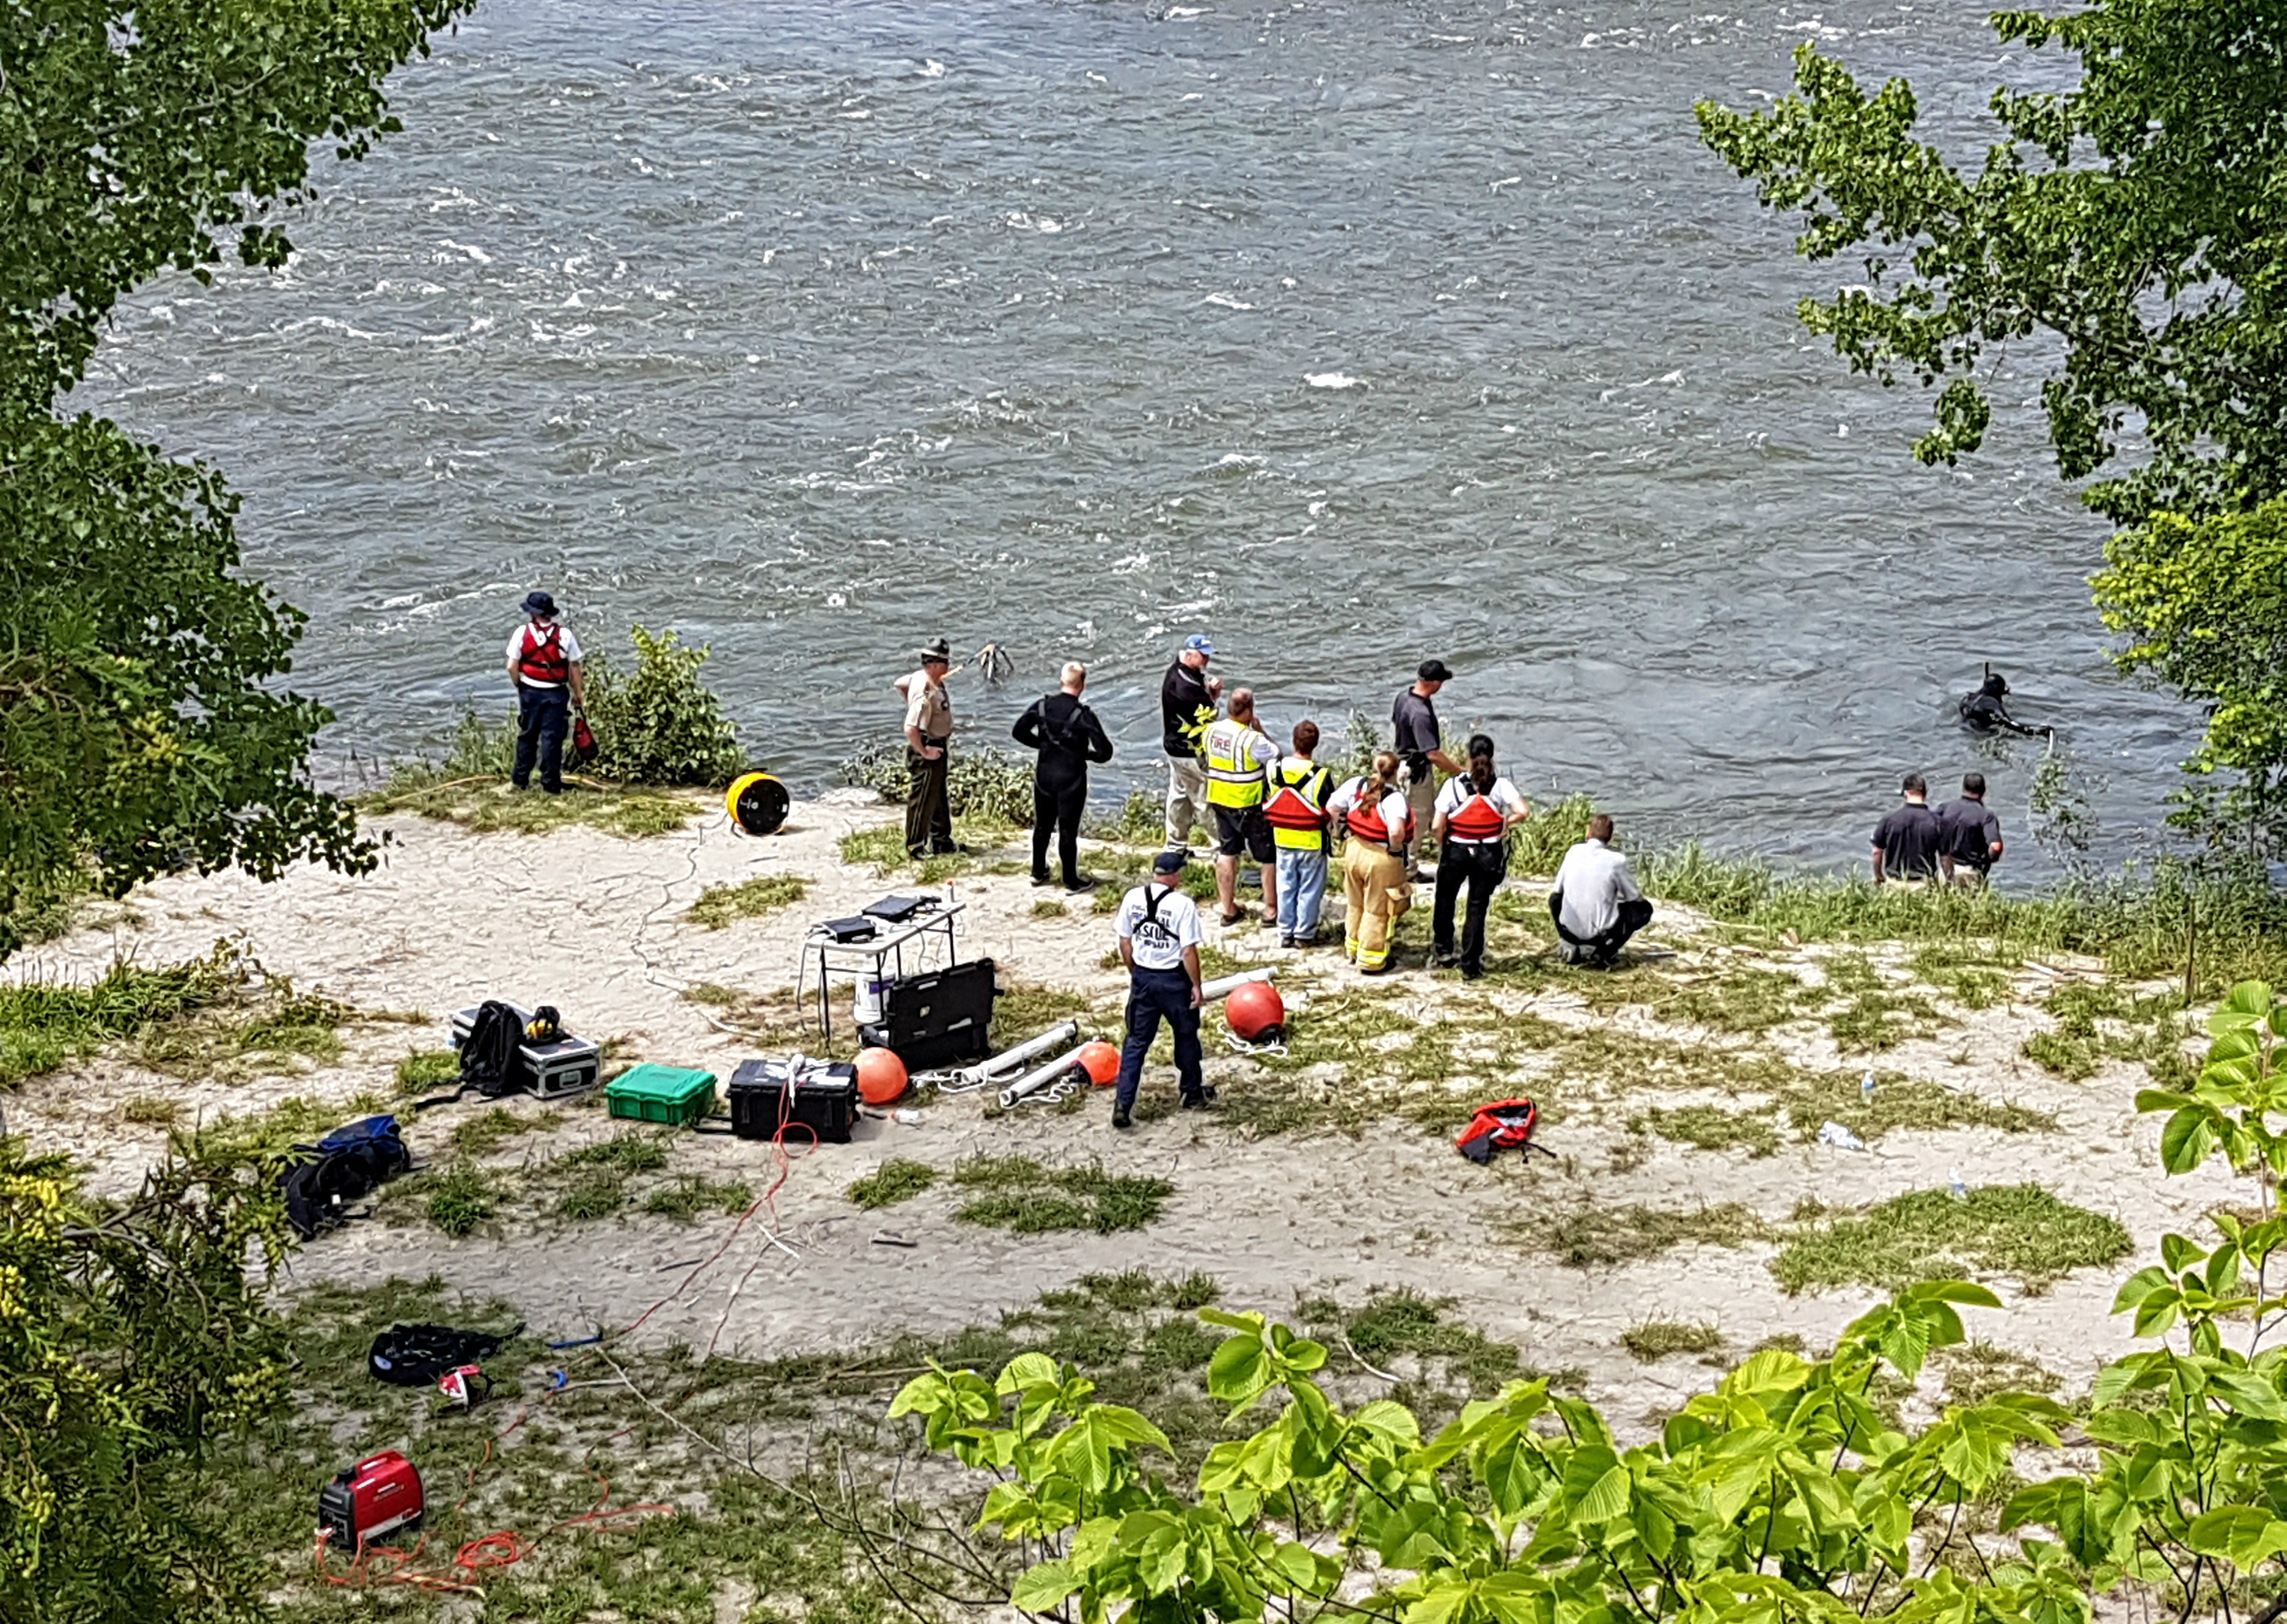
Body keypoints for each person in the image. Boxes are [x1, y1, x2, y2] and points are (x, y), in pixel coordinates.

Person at [1109, 849, 1210, 1129]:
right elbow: (1188, 951)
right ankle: (1192, 1091)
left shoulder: (1133, 897)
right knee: (1186, 1035)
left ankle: (1123, 1103)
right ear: (1176, 875)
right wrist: (1197, 987)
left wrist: (1135, 971)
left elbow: (1125, 942)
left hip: (1144, 977)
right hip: (1174, 980)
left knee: (1136, 1043)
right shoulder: (1183, 905)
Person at [1431, 734, 1531, 980]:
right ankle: (1471, 964)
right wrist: (1504, 822)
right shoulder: (1500, 786)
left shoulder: (1452, 786)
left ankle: (1444, 951)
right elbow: (1524, 811)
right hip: (1488, 853)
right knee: (1477, 907)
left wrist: (1442, 843)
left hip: (1456, 850)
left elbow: (1437, 825)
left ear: (1468, 756)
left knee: (1446, 898)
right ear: (1492, 757)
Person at [1013, 663, 1114, 892]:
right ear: (1083, 684)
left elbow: (1018, 731)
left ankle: (1038, 871)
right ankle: (1070, 880)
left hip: (1045, 775)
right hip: (1072, 779)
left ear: (1062, 681)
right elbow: (1105, 752)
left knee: (1042, 826)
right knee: (1068, 829)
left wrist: (1042, 745)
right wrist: (1084, 755)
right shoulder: (1083, 715)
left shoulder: (1041, 706)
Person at [1202, 687, 1282, 929]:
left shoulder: (1210, 731)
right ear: (1249, 710)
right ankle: (1270, 910)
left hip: (1219, 798)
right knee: (1267, 857)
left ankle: (1228, 908)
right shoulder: (1252, 739)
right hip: (1249, 803)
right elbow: (1276, 755)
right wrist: (1261, 730)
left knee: (1227, 853)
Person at [1329, 751, 1413, 974]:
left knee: (1356, 903)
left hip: (1354, 849)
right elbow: (1396, 832)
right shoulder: (1395, 799)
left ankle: (1352, 948)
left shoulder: (1356, 785)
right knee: (1378, 909)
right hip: (1381, 857)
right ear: (1396, 773)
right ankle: (1371, 960)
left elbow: (1332, 807)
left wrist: (1343, 831)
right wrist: (1395, 851)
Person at [1262, 721, 1336, 948]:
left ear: (1294, 741)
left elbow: (1267, 797)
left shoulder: (1273, 769)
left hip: (1282, 838)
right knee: (1310, 889)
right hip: (1312, 840)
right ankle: (1304, 934)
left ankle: (1285, 931)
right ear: (1315, 745)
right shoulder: (1321, 775)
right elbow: (1330, 807)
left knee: (1285, 886)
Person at [505, 590, 585, 795]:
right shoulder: (565, 635)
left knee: (528, 735)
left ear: (532, 613)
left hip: (530, 691)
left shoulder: (521, 633)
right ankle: (551, 783)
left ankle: (519, 781)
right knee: (553, 738)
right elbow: (575, 667)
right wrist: (578, 694)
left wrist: (519, 685)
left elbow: (511, 666)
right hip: (556, 693)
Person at [1549, 814, 1653, 968]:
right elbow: (1634, 897)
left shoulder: (1573, 852)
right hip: (1599, 936)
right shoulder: (1617, 861)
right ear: (1610, 837)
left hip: (1569, 930)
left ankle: (1570, 943)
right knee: (1643, 909)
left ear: (1588, 832)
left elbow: (1557, 891)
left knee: (1555, 900)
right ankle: (1606, 950)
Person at [1392, 660, 1462, 879]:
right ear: (1433, 683)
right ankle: (1408, 869)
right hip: (1416, 772)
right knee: (1418, 819)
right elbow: (1432, 753)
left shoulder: (1404, 697)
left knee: (1406, 816)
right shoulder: (1420, 713)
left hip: (1401, 765)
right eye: (1441, 681)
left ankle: (1401, 861)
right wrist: (1460, 772)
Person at [1160, 635, 1222, 852]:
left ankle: (1175, 844)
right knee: (1203, 798)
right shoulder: (1186, 687)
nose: (1207, 660)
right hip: (1189, 751)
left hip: (1175, 746)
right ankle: (1222, 845)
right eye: (1203, 655)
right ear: (1189, 654)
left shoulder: (1178, 672)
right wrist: (1214, 696)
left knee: (1179, 796)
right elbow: (1208, 717)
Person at [899, 639, 957, 859]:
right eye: (944, 663)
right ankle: (915, 846)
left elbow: (900, 684)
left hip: (939, 745)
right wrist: (924, 751)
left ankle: (942, 841)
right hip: (928, 746)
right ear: (932, 664)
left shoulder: (924, 679)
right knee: (922, 799)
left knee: (938, 797)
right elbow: (910, 728)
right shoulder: (924, 691)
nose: (948, 667)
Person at [1871, 772, 1945, 883]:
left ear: (1905, 793)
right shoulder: (1936, 821)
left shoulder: (1889, 819)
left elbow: (1877, 852)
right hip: (1923, 883)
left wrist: (1879, 876)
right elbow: (1945, 857)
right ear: (1926, 792)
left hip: (1895, 882)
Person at [1937, 772, 2004, 885]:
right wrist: (1988, 861)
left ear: (1964, 788)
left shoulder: (1945, 808)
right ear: (1984, 791)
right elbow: (1996, 847)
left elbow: (1930, 829)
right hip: (1970, 872)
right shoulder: (1986, 816)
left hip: (1946, 869)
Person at [1959, 668, 2051, 737]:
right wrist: (2035, 731)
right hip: (1981, 735)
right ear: (1998, 691)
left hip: (1963, 731)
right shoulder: (1992, 704)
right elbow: (2009, 724)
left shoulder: (1967, 699)